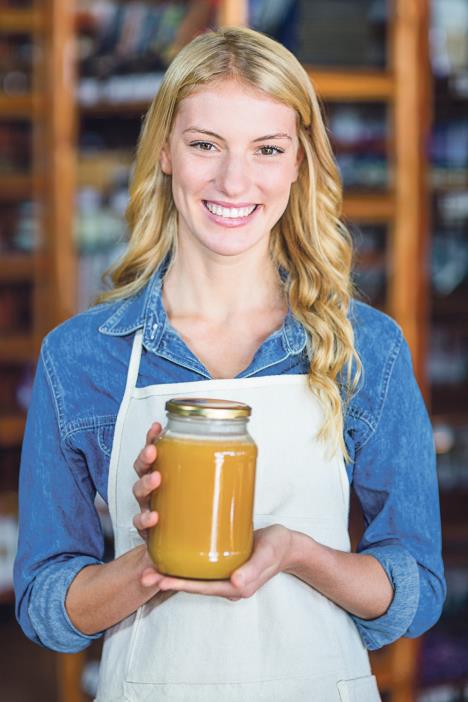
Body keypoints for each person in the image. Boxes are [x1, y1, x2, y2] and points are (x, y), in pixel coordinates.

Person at [14, 26, 445, 702]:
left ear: (299, 163)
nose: (233, 181)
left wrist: (295, 552)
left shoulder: (365, 346)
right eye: (204, 145)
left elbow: (414, 593)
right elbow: (46, 609)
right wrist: (153, 565)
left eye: (266, 150)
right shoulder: (82, 356)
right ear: (164, 151)